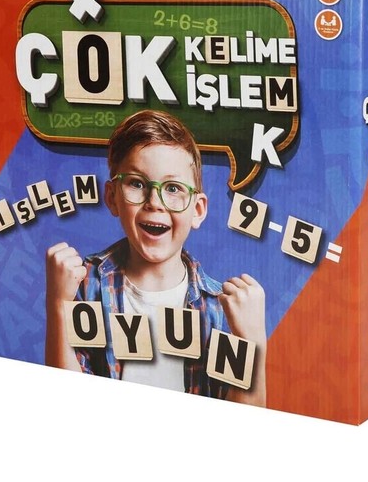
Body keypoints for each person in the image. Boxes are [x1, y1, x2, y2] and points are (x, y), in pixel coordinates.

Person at [45, 109, 266, 406]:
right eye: (137, 183)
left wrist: (252, 340)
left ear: (197, 210)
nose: (155, 202)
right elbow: (66, 407)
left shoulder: (220, 309)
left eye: (173, 188)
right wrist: (59, 304)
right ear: (112, 197)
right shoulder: (85, 286)